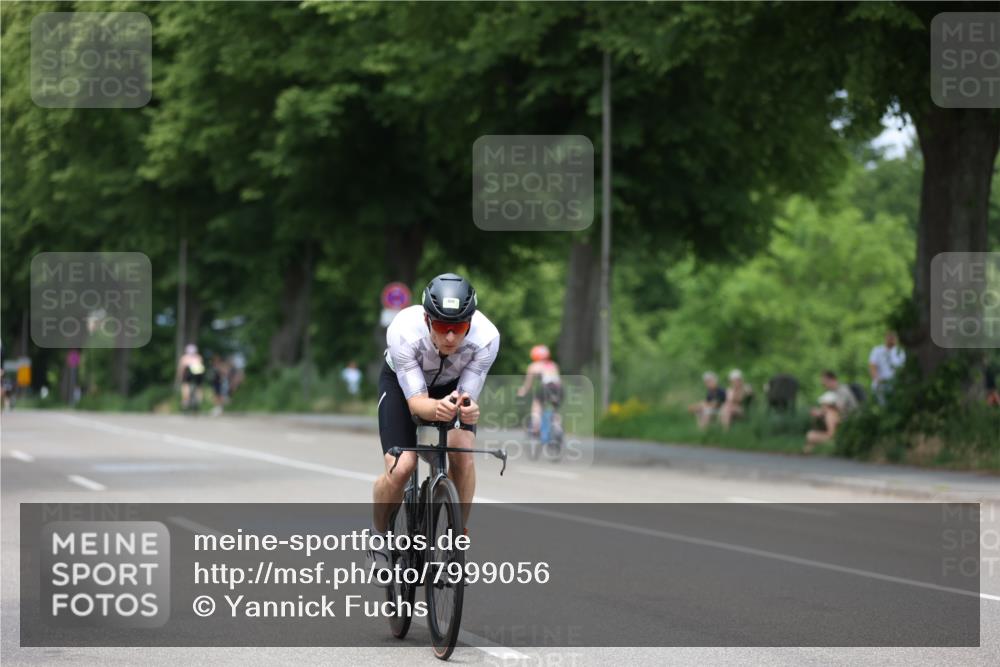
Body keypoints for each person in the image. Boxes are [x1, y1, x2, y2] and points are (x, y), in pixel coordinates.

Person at [368, 273, 499, 577]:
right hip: (403, 389)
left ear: (471, 323)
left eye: (459, 328)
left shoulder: (487, 338)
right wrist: (437, 409)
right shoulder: (403, 330)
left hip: (450, 386)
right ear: (427, 321)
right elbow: (416, 404)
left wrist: (467, 411)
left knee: (463, 452)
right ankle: (377, 537)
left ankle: (456, 541)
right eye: (442, 327)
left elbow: (466, 397)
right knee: (401, 467)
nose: (450, 337)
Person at [516, 344, 563, 438]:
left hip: (547, 388)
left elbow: (528, 385)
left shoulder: (534, 366)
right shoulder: (553, 365)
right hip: (559, 389)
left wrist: (522, 391)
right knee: (554, 410)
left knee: (536, 405)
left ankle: (535, 427)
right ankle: (558, 428)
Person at [868, 330, 905, 405]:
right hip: (881, 385)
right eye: (889, 336)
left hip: (895, 386)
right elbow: (872, 366)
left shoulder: (900, 352)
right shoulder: (877, 350)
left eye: (893, 337)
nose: (891, 339)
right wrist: (877, 379)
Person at [175, 344, 206, 410]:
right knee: (199, 386)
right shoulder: (199, 357)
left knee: (185, 385)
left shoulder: (184, 358)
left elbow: (181, 368)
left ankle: (186, 399)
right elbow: (202, 368)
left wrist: (179, 376)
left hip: (189, 373)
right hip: (198, 373)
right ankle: (199, 400)